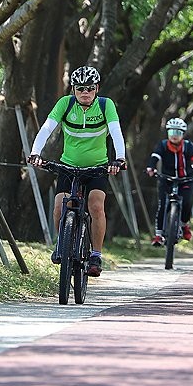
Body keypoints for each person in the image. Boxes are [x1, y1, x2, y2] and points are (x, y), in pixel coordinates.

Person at [28, 65, 126, 277]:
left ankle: (96, 255)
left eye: (89, 88)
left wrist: (119, 158)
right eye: (80, 88)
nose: (85, 92)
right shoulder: (65, 104)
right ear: (73, 89)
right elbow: (47, 128)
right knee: (59, 206)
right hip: (69, 166)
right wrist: (35, 152)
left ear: (96, 88)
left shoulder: (105, 105)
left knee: (96, 206)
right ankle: (62, 244)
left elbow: (116, 132)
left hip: (98, 167)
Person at [145, 117, 193, 246]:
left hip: (186, 180)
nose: (174, 136)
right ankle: (158, 235)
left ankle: (184, 225)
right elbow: (155, 156)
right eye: (172, 132)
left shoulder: (188, 146)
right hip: (167, 179)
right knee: (162, 205)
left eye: (178, 133)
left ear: (182, 134)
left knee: (187, 203)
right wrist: (151, 167)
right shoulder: (163, 145)